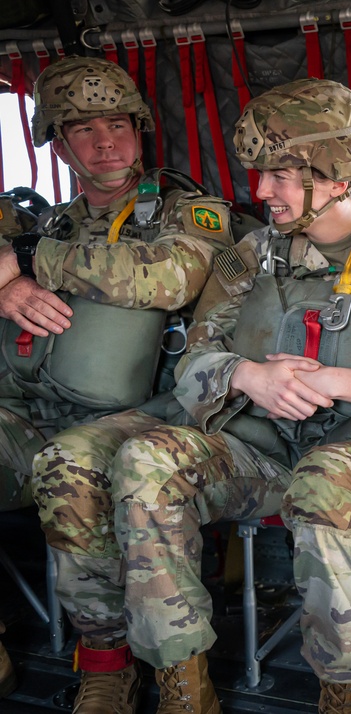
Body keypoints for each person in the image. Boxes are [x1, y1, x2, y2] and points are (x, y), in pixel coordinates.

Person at [108, 78, 351, 714]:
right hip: (264, 454)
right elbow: (193, 360)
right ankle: (183, 682)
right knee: (144, 461)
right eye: (260, 174)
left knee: (328, 477)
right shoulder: (252, 257)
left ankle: (344, 689)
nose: (261, 191)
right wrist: (247, 376)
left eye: (280, 175)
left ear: (338, 173)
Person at [0, 56, 234, 712]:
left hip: (153, 411)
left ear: (141, 128)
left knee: (68, 467)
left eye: (117, 124)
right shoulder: (54, 222)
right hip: (43, 403)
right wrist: (14, 281)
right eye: (81, 129)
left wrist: (24, 264)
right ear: (59, 143)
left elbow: (171, 278)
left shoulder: (192, 213)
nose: (104, 141)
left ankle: (109, 663)